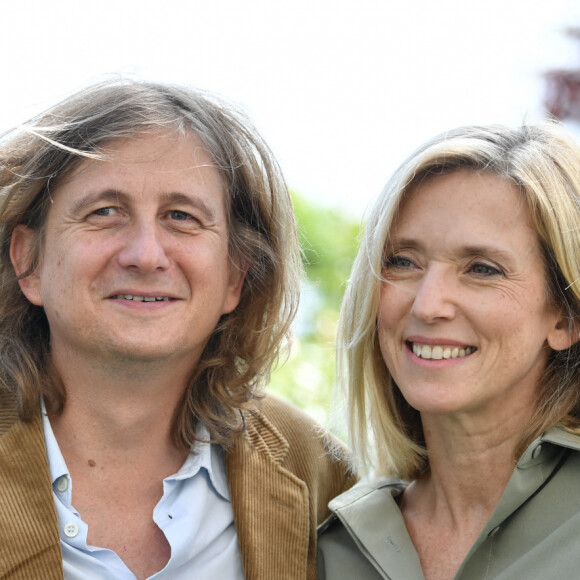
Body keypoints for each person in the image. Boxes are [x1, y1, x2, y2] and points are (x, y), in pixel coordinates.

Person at [0, 79, 356, 579]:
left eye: (182, 217)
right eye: (104, 212)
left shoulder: (315, 471)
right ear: (28, 261)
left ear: (234, 275)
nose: (146, 254)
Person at [318, 121, 580, 579]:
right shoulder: (331, 546)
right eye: (403, 261)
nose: (427, 304)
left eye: (482, 268)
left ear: (565, 318)